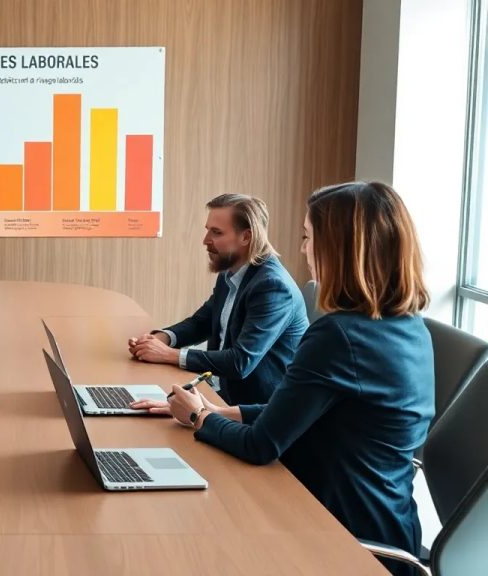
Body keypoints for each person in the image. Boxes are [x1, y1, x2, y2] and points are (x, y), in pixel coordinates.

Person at [134, 182, 433, 576]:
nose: (303, 250)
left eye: (308, 238)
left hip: (342, 536)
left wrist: (197, 417)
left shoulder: (339, 335)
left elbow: (260, 445)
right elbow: (310, 414)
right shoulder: (408, 326)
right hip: (387, 521)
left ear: (338, 248)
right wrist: (218, 410)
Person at [128, 194, 308, 405]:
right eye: (208, 230)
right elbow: (202, 322)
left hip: (255, 408)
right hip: (219, 390)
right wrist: (162, 339)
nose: (206, 240)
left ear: (246, 237)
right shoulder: (231, 271)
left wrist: (169, 355)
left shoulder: (272, 286)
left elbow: (240, 362)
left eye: (217, 232)